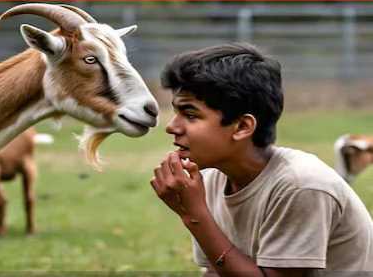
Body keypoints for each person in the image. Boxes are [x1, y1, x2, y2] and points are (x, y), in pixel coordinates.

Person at [150, 43, 373, 277]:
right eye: (176, 112)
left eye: (190, 114)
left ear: (243, 127)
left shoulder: (301, 185)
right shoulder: (211, 180)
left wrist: (194, 214)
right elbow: (217, 271)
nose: (171, 127)